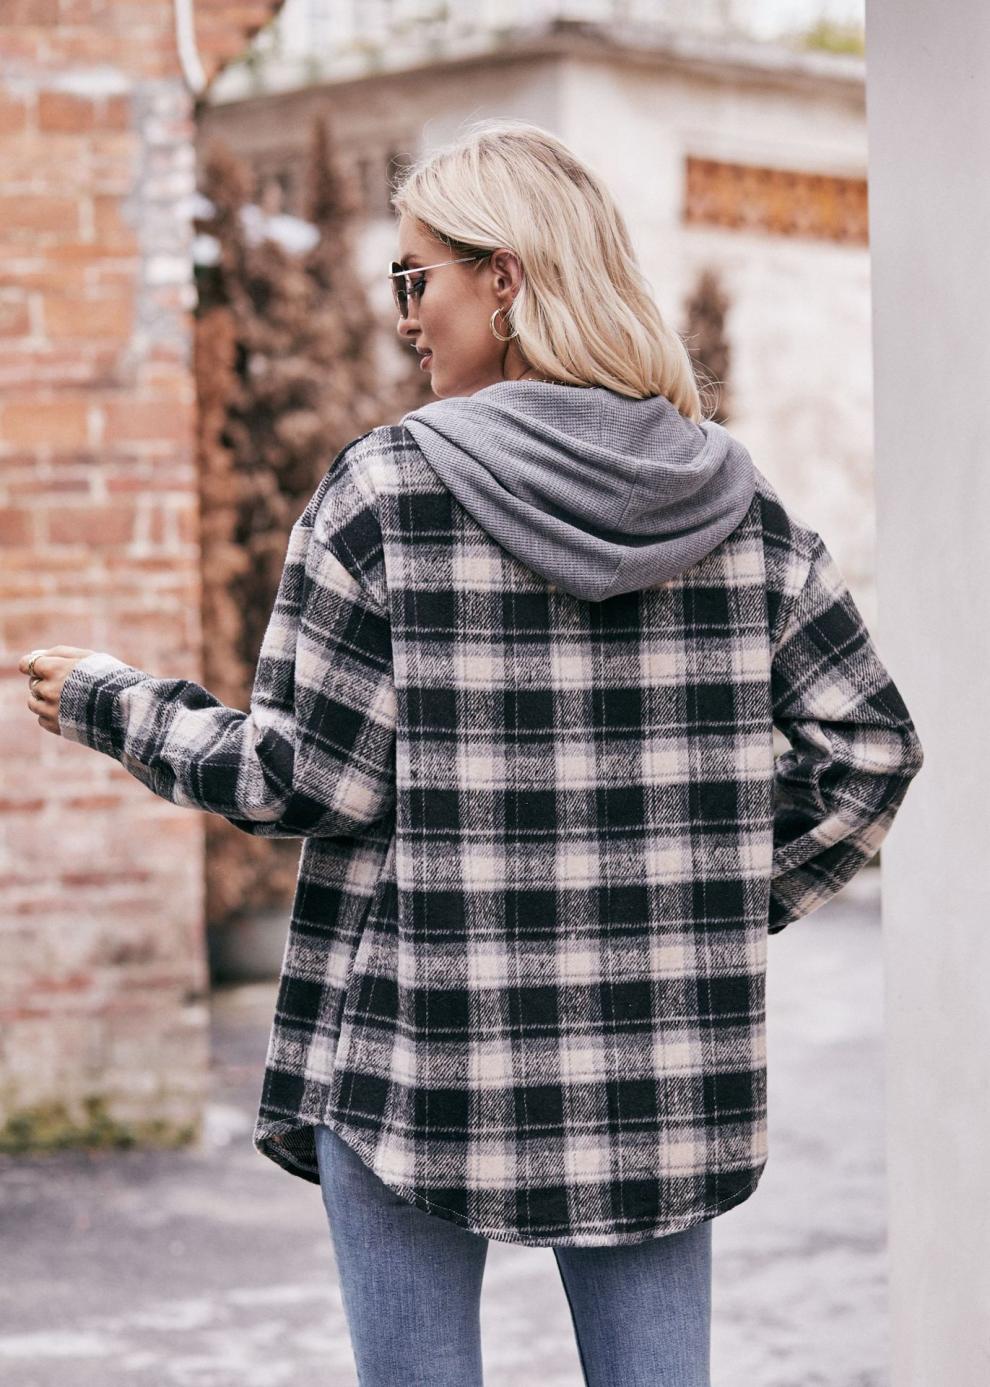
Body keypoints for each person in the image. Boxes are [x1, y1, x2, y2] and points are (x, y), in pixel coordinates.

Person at [19, 118, 924, 1387]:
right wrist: (703, 902)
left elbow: (303, 775)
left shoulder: (385, 493)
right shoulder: (738, 508)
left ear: (504, 279)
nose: (402, 316)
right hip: (656, 1080)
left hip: (417, 1068)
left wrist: (116, 705)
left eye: (415, 276)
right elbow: (866, 748)